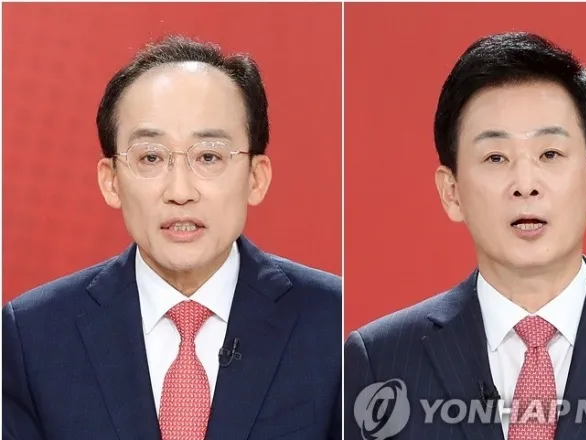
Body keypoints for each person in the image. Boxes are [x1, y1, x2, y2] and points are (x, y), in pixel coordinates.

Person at [345, 32, 586, 440]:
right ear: (451, 192)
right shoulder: (380, 361)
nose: (525, 184)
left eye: (550, 154)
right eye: (495, 157)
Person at [4, 35, 341, 440]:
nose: (180, 191)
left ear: (256, 177)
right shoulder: (32, 337)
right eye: (151, 157)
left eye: (209, 157)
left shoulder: (333, 322)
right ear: (111, 181)